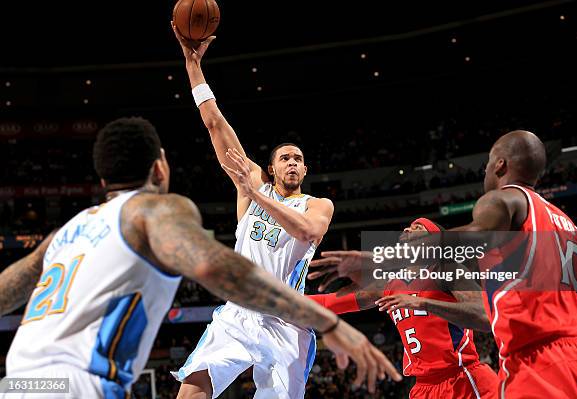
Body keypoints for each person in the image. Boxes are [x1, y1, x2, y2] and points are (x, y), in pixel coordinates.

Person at [0, 117, 400, 398]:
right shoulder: (158, 212)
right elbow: (218, 269)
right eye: (285, 158)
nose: (291, 164)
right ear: (160, 169)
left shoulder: (64, 232)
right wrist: (327, 320)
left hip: (18, 382)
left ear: (103, 180)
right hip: (81, 385)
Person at [312, 130, 577, 398]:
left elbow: (475, 240)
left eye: (417, 233)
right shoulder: (566, 224)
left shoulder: (500, 202)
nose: (407, 235)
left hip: (528, 363)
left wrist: (381, 257)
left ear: (500, 165)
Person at [170, 24, 343, 399]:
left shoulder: (316, 204)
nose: (293, 163)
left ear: (305, 170)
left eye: (298, 159)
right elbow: (214, 123)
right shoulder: (251, 184)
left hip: (288, 320)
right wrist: (192, 64)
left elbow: (309, 232)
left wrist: (259, 197)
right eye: (285, 158)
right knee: (192, 391)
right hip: (240, 311)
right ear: (272, 167)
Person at [309, 218, 498, 398]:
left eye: (418, 227)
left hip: (463, 380)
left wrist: (424, 303)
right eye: (408, 228)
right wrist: (284, 300)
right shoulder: (387, 284)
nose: (407, 230)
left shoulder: (446, 268)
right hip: (422, 388)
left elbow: (485, 317)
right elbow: (329, 303)